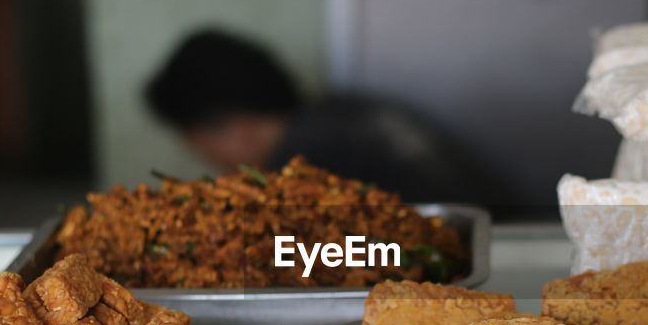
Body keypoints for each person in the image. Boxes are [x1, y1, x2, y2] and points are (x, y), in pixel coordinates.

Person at [144, 28, 497, 204]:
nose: (211, 164)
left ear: (239, 129)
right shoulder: (338, 115)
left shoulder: (305, 165)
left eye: (200, 146)